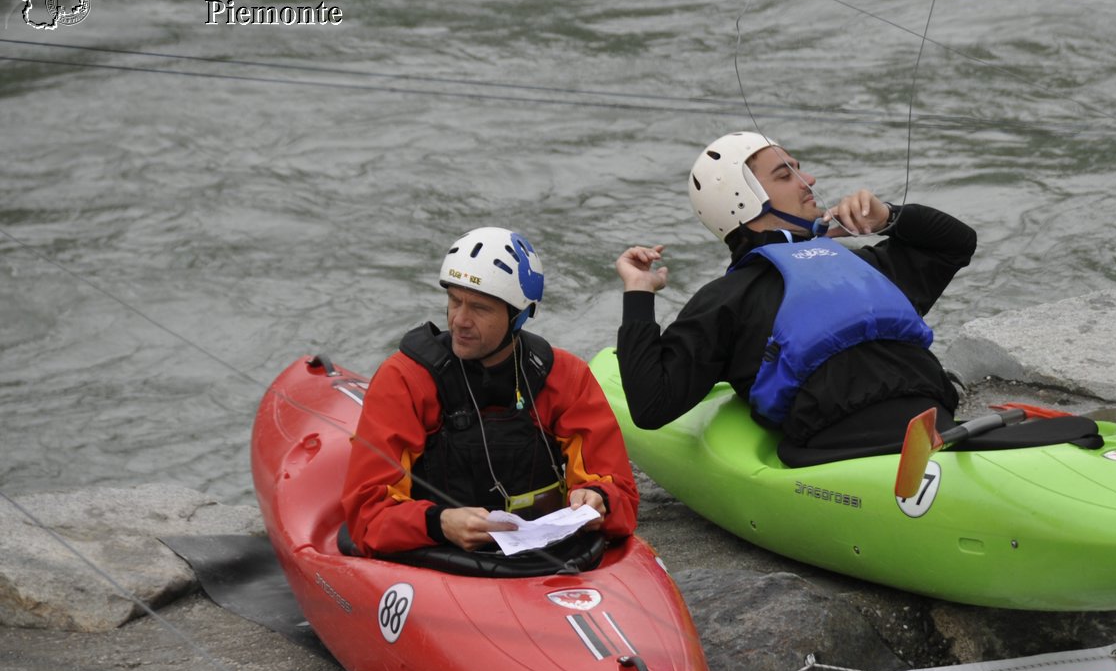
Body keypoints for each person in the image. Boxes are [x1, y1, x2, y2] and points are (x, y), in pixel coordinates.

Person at [613, 132, 978, 465]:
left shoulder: (861, 264)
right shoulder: (728, 299)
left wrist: (888, 218)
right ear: (743, 200)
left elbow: (957, 244)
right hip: (849, 450)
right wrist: (639, 293)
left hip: (934, 420)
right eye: (785, 175)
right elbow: (651, 405)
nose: (810, 181)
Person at [343, 226, 639, 555]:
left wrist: (599, 499)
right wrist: (439, 523)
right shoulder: (404, 380)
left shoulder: (565, 377)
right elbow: (367, 517)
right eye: (455, 301)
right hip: (439, 554)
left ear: (518, 316)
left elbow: (622, 496)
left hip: (540, 558)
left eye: (480, 308)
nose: (459, 320)